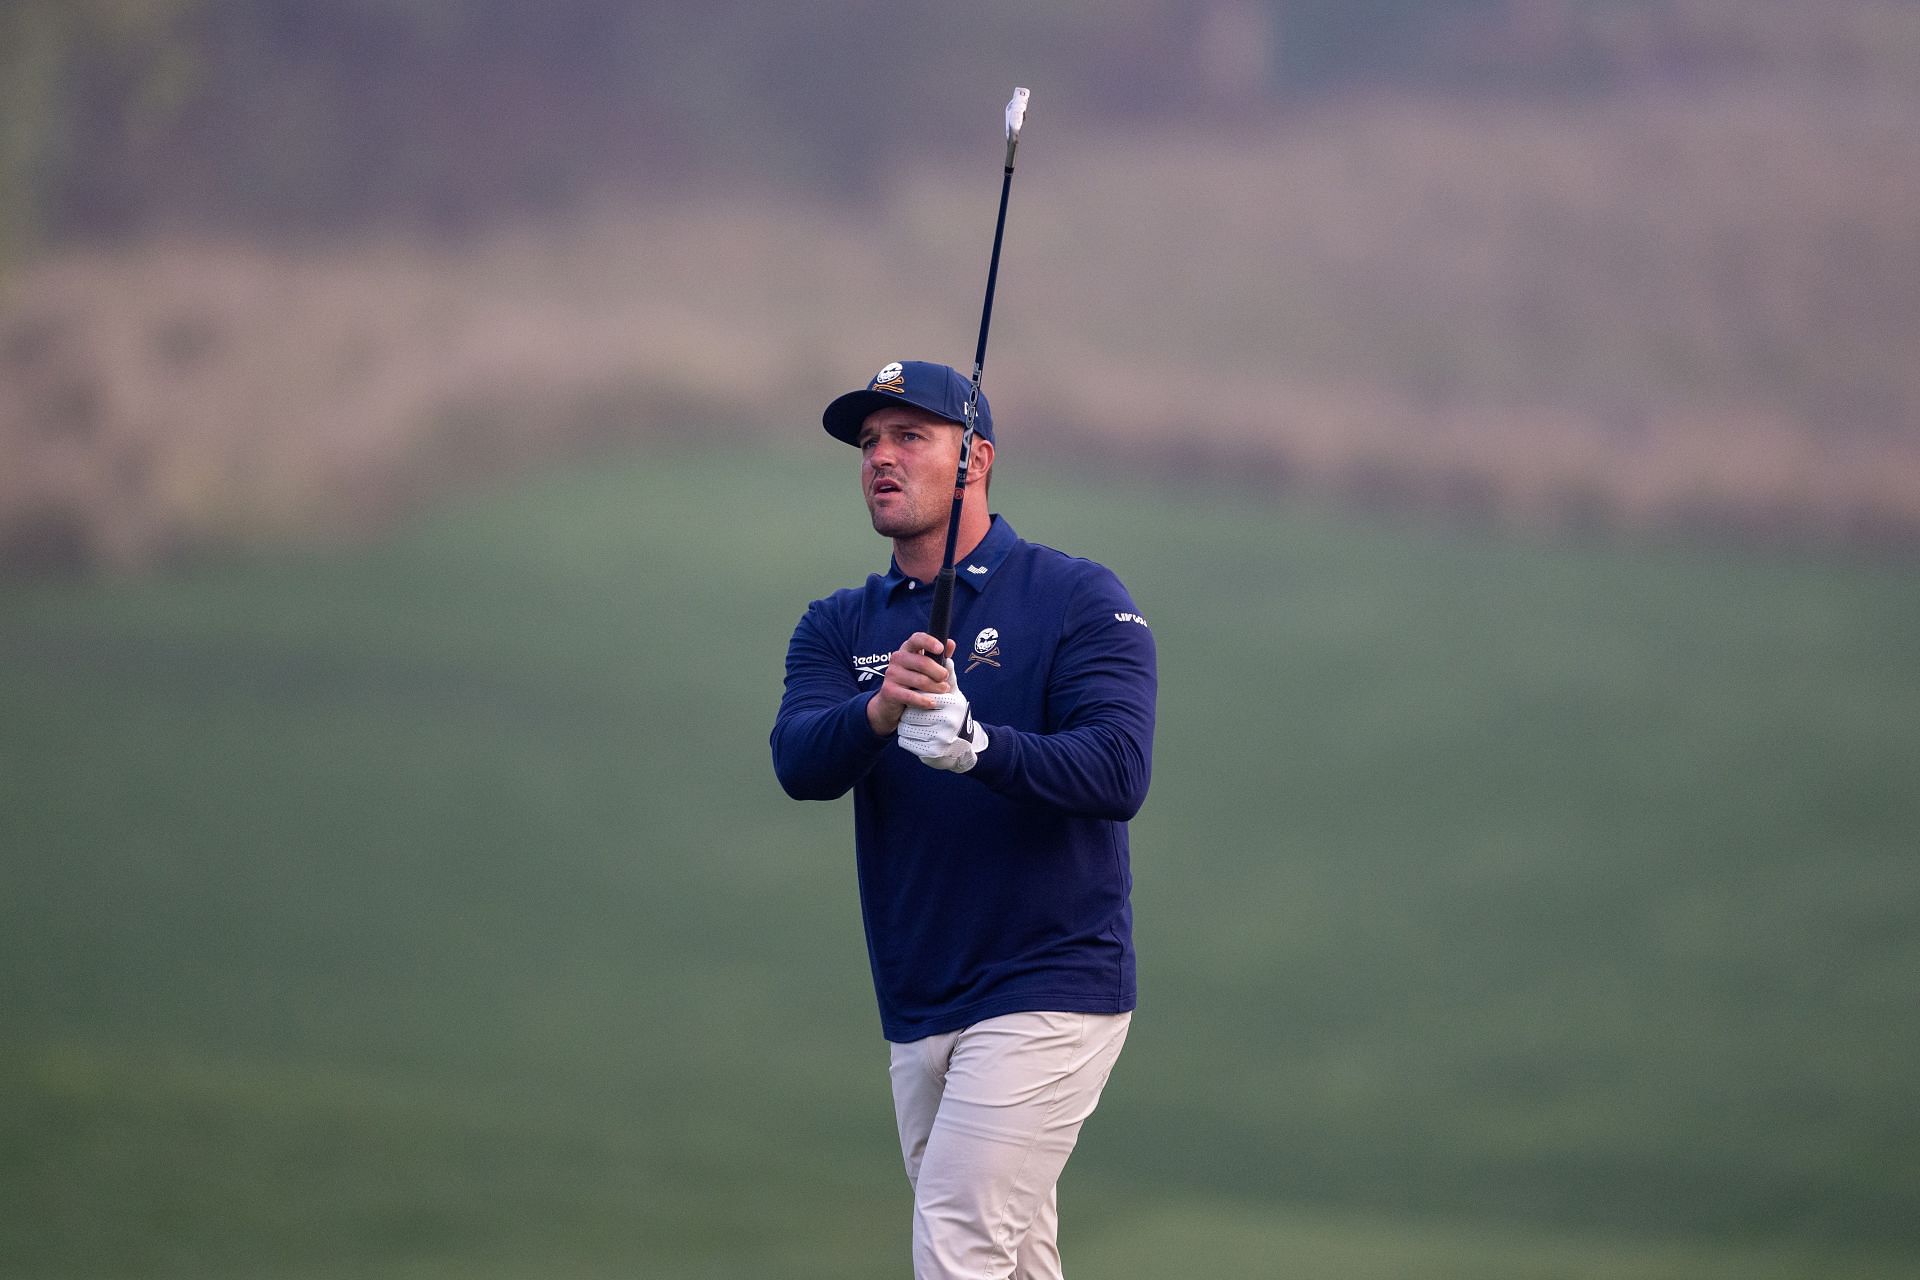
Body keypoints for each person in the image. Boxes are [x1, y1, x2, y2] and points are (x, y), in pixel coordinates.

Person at [770, 359, 1157, 1279]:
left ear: (976, 458)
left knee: (958, 1243)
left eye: (910, 436)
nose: (881, 459)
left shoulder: (1076, 597)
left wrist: (983, 747)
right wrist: (881, 713)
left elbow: (1119, 768)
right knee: (1015, 1261)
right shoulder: (838, 625)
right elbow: (797, 761)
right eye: (869, 444)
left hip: (1051, 981)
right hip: (918, 995)